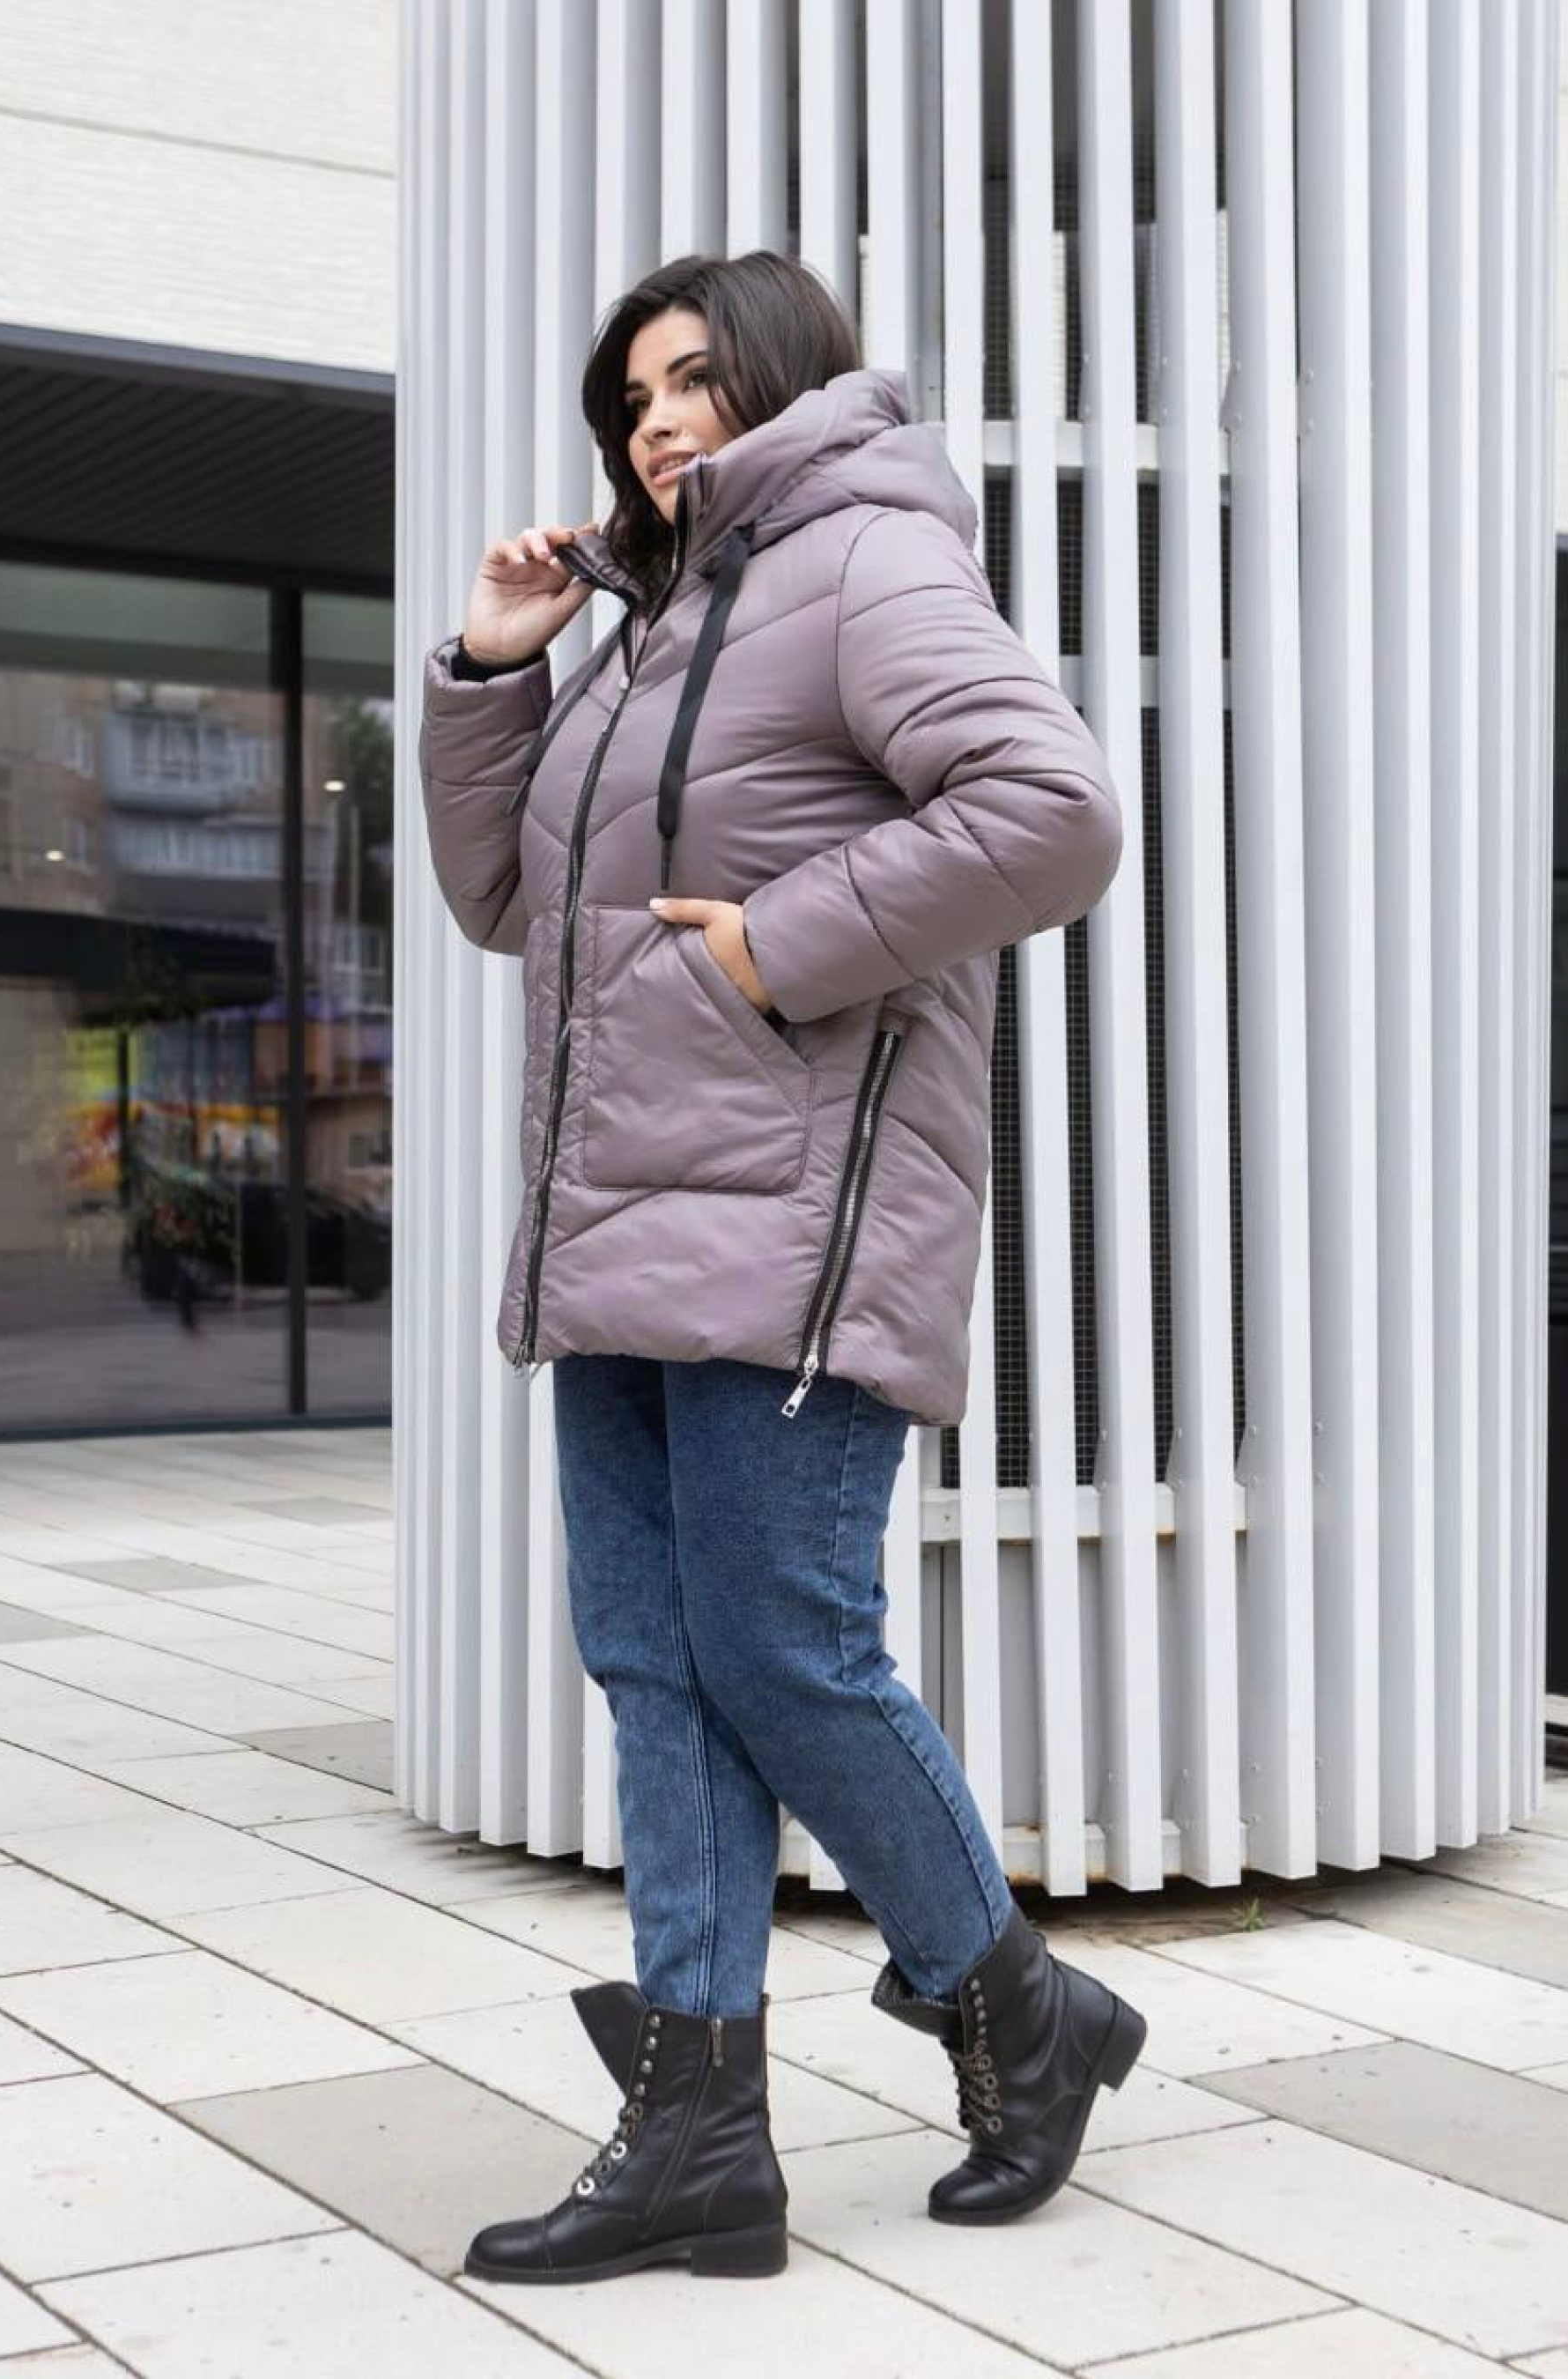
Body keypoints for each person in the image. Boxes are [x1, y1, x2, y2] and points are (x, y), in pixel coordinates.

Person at [418, 248, 1145, 2286]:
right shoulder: (650, 628)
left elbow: (1050, 812)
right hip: (616, 1221)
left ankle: (1013, 2008)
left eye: (687, 382)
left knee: (782, 1653)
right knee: (655, 1662)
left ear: (779, 378)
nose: (652, 423)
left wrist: (776, 947)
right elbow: (504, 902)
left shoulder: (864, 561)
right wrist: (491, 668)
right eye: (628, 400)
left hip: (797, 1220)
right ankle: (701, 2145)